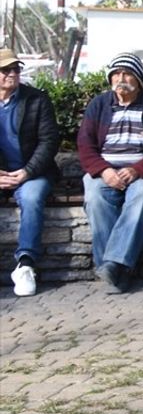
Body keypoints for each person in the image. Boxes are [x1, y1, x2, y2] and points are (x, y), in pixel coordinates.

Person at [78, 53, 143, 294]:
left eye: (127, 73)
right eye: (116, 74)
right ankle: (117, 269)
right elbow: (85, 144)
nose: (121, 79)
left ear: (139, 79)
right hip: (104, 170)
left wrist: (137, 170)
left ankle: (113, 266)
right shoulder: (99, 105)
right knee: (95, 197)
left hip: (142, 172)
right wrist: (104, 171)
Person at [0, 49, 58, 296]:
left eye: (16, 69)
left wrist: (27, 171)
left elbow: (49, 141)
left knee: (33, 198)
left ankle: (26, 264)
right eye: (6, 70)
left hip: (33, 172)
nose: (12, 74)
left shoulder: (37, 99)